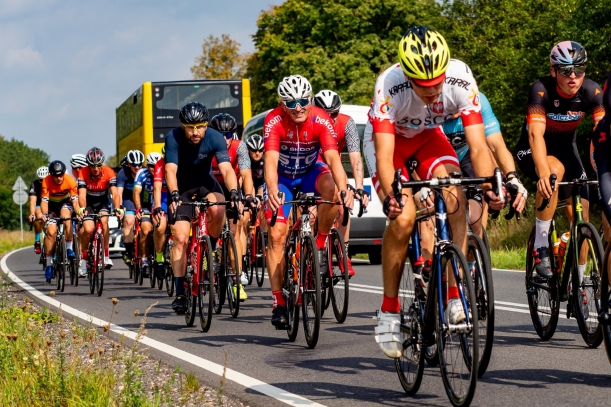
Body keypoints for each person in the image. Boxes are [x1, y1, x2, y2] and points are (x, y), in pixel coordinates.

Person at [362, 26, 503, 358]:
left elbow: (478, 146)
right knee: (403, 218)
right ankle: (389, 310)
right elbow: (384, 156)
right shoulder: (388, 84)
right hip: (389, 143)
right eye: (423, 85)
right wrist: (392, 197)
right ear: (408, 76)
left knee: (456, 193)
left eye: (437, 82)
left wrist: (489, 185)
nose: (433, 90)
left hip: (428, 138)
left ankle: (454, 295)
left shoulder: (461, 77)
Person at [264, 74, 354, 328]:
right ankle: (279, 302)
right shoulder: (274, 120)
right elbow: (270, 161)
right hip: (283, 177)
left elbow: (333, 158)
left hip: (310, 172)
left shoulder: (321, 118)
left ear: (310, 99)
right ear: (282, 104)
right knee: (277, 235)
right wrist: (272, 190)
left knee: (332, 190)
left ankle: (320, 243)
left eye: (303, 101)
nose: (298, 107)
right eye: (291, 103)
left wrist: (345, 188)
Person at [513, 41, 604, 279]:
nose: (573, 76)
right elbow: (535, 135)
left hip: (566, 150)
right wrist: (543, 171)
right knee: (553, 171)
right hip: (533, 149)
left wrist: (602, 168)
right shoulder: (541, 89)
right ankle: (541, 245)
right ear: (553, 71)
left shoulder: (593, 92)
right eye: (566, 70)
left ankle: (577, 282)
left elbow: (601, 135)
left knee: (582, 219)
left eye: (579, 69)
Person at [165, 102, 241, 314]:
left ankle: (211, 249)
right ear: (183, 126)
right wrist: (173, 193)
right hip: (181, 188)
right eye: (190, 127)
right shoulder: (173, 137)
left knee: (219, 208)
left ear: (206, 125)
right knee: (181, 238)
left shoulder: (215, 137)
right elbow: (170, 170)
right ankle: (180, 292)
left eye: (199, 127)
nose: (195, 132)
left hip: (205, 184)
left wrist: (233, 192)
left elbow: (226, 169)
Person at [439, 92, 527, 236]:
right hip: (440, 159)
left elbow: (496, 145)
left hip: (468, 156)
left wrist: (512, 177)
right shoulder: (429, 102)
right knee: (433, 222)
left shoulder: (476, 100)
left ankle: (477, 246)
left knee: (475, 222)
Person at [314, 89, 371, 276]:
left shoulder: (347, 123)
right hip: (313, 167)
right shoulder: (310, 122)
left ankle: (343, 253)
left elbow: (355, 157)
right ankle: (307, 247)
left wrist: (360, 187)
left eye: (334, 114)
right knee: (311, 213)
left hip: (334, 166)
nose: (330, 119)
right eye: (326, 115)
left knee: (344, 204)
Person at [210, 113, 249, 300]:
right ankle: (207, 253)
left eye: (228, 135)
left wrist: (247, 197)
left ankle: (237, 279)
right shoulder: (206, 145)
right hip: (210, 185)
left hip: (231, 186)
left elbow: (246, 174)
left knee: (235, 229)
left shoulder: (240, 146)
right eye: (220, 135)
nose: (224, 139)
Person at [77, 147, 121, 276]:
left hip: (103, 202)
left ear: (102, 164)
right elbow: (82, 195)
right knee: (88, 229)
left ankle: (106, 255)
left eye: (98, 165)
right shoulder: (83, 172)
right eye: (92, 165)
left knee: (104, 220)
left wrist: (118, 208)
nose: (96, 168)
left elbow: (115, 193)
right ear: (88, 165)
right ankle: (84, 260)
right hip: (89, 203)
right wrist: (82, 208)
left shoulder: (109, 172)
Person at [40, 161, 80, 279]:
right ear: (51, 175)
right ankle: (49, 265)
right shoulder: (46, 181)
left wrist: (78, 212)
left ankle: (69, 248)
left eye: (61, 175)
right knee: (51, 232)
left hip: (65, 203)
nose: (59, 178)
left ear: (64, 173)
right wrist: (45, 214)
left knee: (66, 217)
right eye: (56, 176)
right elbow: (44, 202)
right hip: (51, 207)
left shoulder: (70, 180)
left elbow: (75, 201)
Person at [133, 152, 161, 278]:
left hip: (160, 206)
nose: (154, 168)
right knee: (145, 230)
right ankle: (144, 261)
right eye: (151, 166)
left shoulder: (164, 172)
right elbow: (136, 192)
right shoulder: (141, 173)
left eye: (156, 166)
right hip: (146, 206)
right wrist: (138, 209)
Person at [117, 150, 145, 269]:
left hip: (142, 198)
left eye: (139, 164)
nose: (137, 167)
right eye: (134, 165)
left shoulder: (145, 172)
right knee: (129, 221)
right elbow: (119, 193)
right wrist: (120, 207)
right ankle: (128, 251)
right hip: (128, 199)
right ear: (129, 164)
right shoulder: (122, 173)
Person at [242, 134, 267, 231]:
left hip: (260, 183)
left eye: (260, 150)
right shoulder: (245, 160)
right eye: (254, 150)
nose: (257, 153)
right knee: (247, 211)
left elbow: (266, 180)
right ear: (248, 150)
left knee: (263, 206)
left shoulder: (265, 160)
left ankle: (263, 234)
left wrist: (260, 196)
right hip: (248, 185)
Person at [153, 147, 169, 280]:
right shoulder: (160, 164)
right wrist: (158, 206)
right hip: (163, 198)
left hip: (179, 197)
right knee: (160, 227)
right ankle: (159, 259)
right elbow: (157, 188)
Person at [29, 166, 48, 255]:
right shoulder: (34, 184)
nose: (43, 182)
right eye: (41, 180)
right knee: (39, 217)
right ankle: (37, 241)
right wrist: (32, 214)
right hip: (39, 204)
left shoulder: (53, 182)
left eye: (45, 179)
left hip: (51, 203)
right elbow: (33, 201)